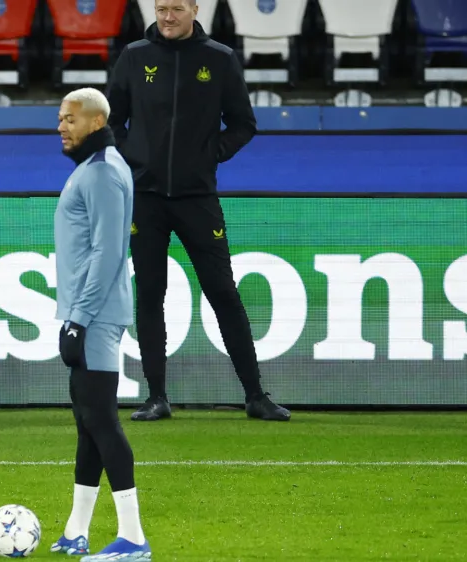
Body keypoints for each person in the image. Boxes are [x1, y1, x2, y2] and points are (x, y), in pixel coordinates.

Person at [105, 0, 291, 422]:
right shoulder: (135, 57)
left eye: (175, 8)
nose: (166, 17)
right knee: (150, 295)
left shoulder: (219, 60)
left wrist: (210, 155)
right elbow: (112, 121)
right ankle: (156, 397)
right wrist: (132, 159)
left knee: (223, 293)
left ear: (194, 9)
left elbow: (244, 123)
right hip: (146, 199)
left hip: (197, 198)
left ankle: (255, 395)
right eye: (160, 8)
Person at [49, 88, 152, 562]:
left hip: (95, 316)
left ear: (95, 122)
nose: (61, 126)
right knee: (87, 424)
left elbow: (109, 252)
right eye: (60, 118)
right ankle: (76, 531)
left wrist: (79, 320)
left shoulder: (105, 172)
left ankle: (132, 537)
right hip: (85, 314)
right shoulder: (94, 169)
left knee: (102, 422)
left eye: (70, 119)